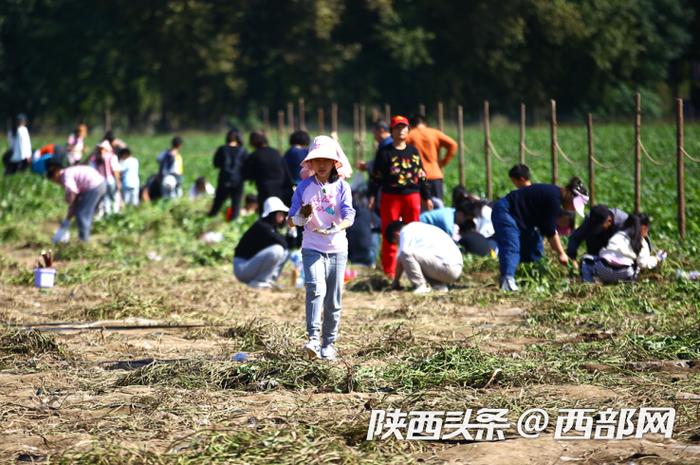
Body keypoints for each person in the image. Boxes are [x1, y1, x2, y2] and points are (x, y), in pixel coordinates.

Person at [287, 136, 355, 361]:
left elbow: (349, 215)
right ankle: (313, 340)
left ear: (335, 162)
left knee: (333, 298)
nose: (322, 164)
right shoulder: (304, 188)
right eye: (317, 160)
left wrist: (339, 226)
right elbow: (291, 220)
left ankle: (329, 343)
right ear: (310, 164)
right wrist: (301, 217)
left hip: (337, 247)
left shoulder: (342, 186)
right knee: (315, 289)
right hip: (311, 246)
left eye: (327, 159)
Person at [492, 177, 589, 291]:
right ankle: (507, 280)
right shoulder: (554, 199)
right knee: (511, 247)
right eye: (574, 205)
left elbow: (546, 227)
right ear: (570, 196)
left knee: (534, 250)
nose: (573, 209)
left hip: (521, 219)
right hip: (506, 211)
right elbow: (550, 230)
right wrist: (561, 253)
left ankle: (516, 273)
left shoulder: (555, 199)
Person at [369, 115, 432, 279]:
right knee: (389, 233)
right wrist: (371, 195)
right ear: (392, 131)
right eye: (398, 127)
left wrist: (427, 197)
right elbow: (376, 176)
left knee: (414, 233)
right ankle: (389, 272)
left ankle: (416, 271)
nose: (401, 130)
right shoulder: (384, 152)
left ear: (408, 130)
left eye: (404, 127)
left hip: (412, 195)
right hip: (391, 196)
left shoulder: (413, 151)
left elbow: (421, 174)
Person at [387, 220, 463, 294]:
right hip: (455, 269)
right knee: (414, 260)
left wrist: (395, 282)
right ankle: (438, 285)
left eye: (397, 242)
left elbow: (402, 255)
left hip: (446, 266)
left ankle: (421, 286)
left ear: (396, 234)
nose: (398, 244)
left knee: (406, 254)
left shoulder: (405, 231)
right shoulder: (418, 228)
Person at [233, 196, 290, 288]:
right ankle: (260, 281)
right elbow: (284, 244)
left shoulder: (271, 228)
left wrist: (292, 231)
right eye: (279, 214)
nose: (282, 217)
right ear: (272, 214)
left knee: (285, 252)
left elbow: (289, 246)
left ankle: (269, 280)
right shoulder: (262, 226)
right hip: (242, 268)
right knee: (278, 250)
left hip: (249, 266)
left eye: (283, 214)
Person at [589, 213, 663, 283]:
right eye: (647, 230)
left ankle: (592, 280)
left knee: (587, 259)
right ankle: (631, 280)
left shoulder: (618, 234)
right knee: (636, 265)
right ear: (644, 228)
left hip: (603, 270)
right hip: (624, 274)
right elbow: (643, 264)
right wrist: (657, 258)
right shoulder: (640, 241)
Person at [46, 163, 106, 242]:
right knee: (85, 213)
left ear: (56, 174)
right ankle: (85, 236)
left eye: (54, 180)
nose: (56, 183)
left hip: (93, 186)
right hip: (100, 184)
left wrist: (71, 205)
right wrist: (71, 210)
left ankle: (84, 240)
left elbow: (72, 192)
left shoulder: (66, 176)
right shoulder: (69, 172)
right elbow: (76, 195)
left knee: (82, 214)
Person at [406, 114, 457, 202]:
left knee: (420, 209)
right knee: (438, 207)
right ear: (425, 123)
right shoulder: (434, 133)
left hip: (417, 176)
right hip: (435, 175)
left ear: (411, 125)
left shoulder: (410, 135)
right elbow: (453, 145)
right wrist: (442, 163)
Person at [242, 131, 293, 211]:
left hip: (265, 188)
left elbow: (247, 174)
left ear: (252, 142)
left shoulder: (254, 155)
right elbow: (286, 170)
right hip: (281, 187)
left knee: (267, 211)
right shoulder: (276, 152)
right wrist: (290, 185)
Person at [208, 129, 248, 218]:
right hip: (238, 181)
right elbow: (247, 166)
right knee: (236, 205)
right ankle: (233, 222)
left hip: (224, 180)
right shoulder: (243, 151)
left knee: (217, 203)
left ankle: (211, 218)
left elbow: (216, 164)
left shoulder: (222, 149)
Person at [89, 140, 121, 216]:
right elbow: (115, 171)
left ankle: (103, 215)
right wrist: (118, 182)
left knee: (103, 199)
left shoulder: (94, 158)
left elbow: (92, 171)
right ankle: (111, 215)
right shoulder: (112, 157)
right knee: (112, 198)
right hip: (110, 181)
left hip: (99, 182)